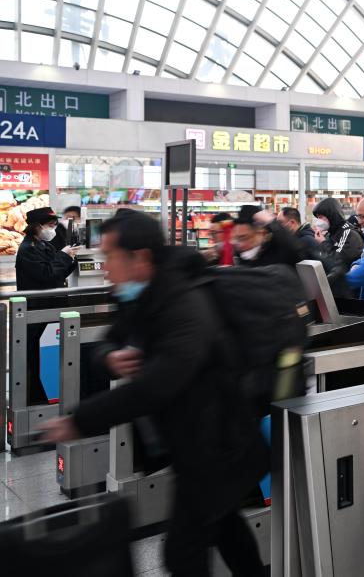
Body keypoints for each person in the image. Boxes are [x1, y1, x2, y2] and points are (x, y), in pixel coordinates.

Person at [40, 211, 266, 576]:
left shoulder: (187, 305)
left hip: (221, 445)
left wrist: (81, 421)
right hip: (193, 443)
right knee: (228, 532)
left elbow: (158, 384)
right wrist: (110, 358)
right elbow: (107, 344)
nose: (104, 267)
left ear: (140, 257)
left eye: (109, 256)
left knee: (182, 553)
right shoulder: (141, 295)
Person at [312, 197, 364, 297]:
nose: (319, 221)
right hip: (332, 290)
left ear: (332, 215)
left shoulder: (348, 233)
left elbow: (337, 260)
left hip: (346, 292)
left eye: (322, 217)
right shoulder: (329, 234)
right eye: (317, 217)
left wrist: (323, 243)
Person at [16, 207, 78, 290]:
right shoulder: (28, 249)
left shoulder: (47, 245)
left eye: (55, 225)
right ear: (37, 226)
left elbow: (58, 273)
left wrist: (72, 259)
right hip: (39, 299)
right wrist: (63, 255)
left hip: (54, 295)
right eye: (50, 225)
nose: (53, 228)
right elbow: (46, 274)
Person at [232, 205, 308, 267]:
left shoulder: (279, 252)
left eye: (244, 238)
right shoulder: (241, 256)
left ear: (262, 233)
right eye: (238, 239)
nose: (240, 245)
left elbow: (298, 251)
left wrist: (272, 223)